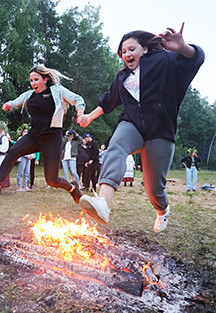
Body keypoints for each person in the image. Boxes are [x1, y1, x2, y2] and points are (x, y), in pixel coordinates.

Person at [77, 23, 204, 233]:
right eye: (123, 51)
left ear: (145, 49)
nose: (127, 54)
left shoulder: (164, 62)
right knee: (115, 146)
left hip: (161, 131)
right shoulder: (122, 77)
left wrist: (182, 47)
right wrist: (89, 117)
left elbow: (195, 60)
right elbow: (109, 101)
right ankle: (103, 205)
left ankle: (162, 209)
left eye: (131, 49)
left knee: (153, 188)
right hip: (132, 125)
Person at [0, 65, 86, 203]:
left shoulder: (57, 91)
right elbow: (15, 102)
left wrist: (80, 113)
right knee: (12, 152)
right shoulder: (29, 95)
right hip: (34, 136)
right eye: (31, 80)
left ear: (45, 79)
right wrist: (8, 105)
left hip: (52, 138)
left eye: (36, 79)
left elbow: (77, 99)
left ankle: (73, 188)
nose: (33, 83)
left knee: (52, 180)